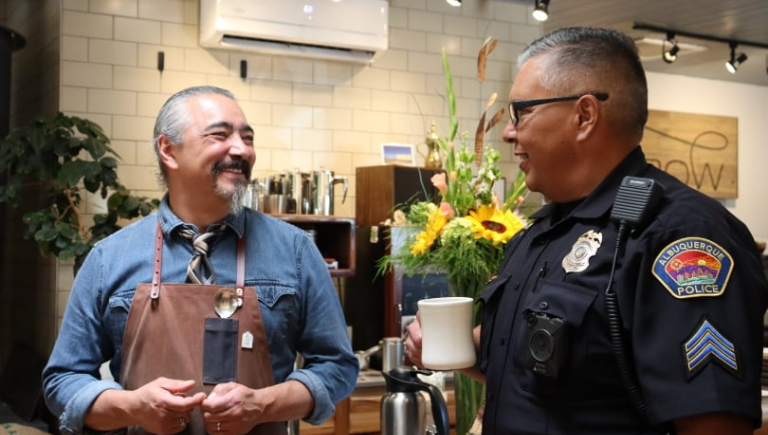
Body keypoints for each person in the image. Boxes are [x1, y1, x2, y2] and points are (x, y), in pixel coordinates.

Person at [405, 27, 768, 435]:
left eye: (521, 112)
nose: (508, 133)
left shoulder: (678, 235)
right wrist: (451, 348)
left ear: (584, 116)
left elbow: (712, 422)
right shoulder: (541, 233)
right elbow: (540, 377)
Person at [42, 85, 358, 435]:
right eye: (220, 135)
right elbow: (62, 380)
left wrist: (261, 405)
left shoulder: (295, 251)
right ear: (169, 150)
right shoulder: (109, 258)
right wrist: (132, 407)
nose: (241, 150)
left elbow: (337, 367)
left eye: (248, 138)